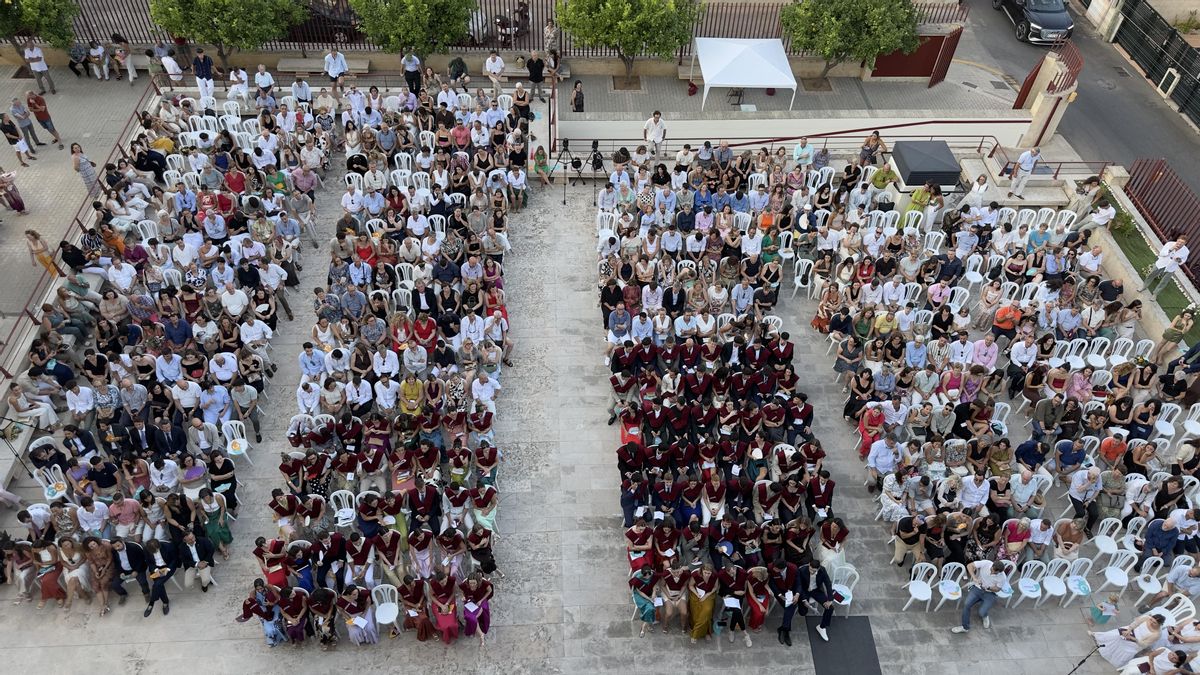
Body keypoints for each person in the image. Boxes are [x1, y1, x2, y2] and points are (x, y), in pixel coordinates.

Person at [951, 558, 1006, 634]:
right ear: (992, 565)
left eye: (995, 573)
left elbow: (998, 589)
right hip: (977, 588)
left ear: (1000, 572)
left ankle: (985, 615)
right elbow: (969, 565)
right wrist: (974, 577)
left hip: (990, 593)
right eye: (991, 570)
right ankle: (965, 627)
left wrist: (989, 588)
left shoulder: (1002, 577)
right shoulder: (986, 563)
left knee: (981, 612)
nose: (992, 573)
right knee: (966, 605)